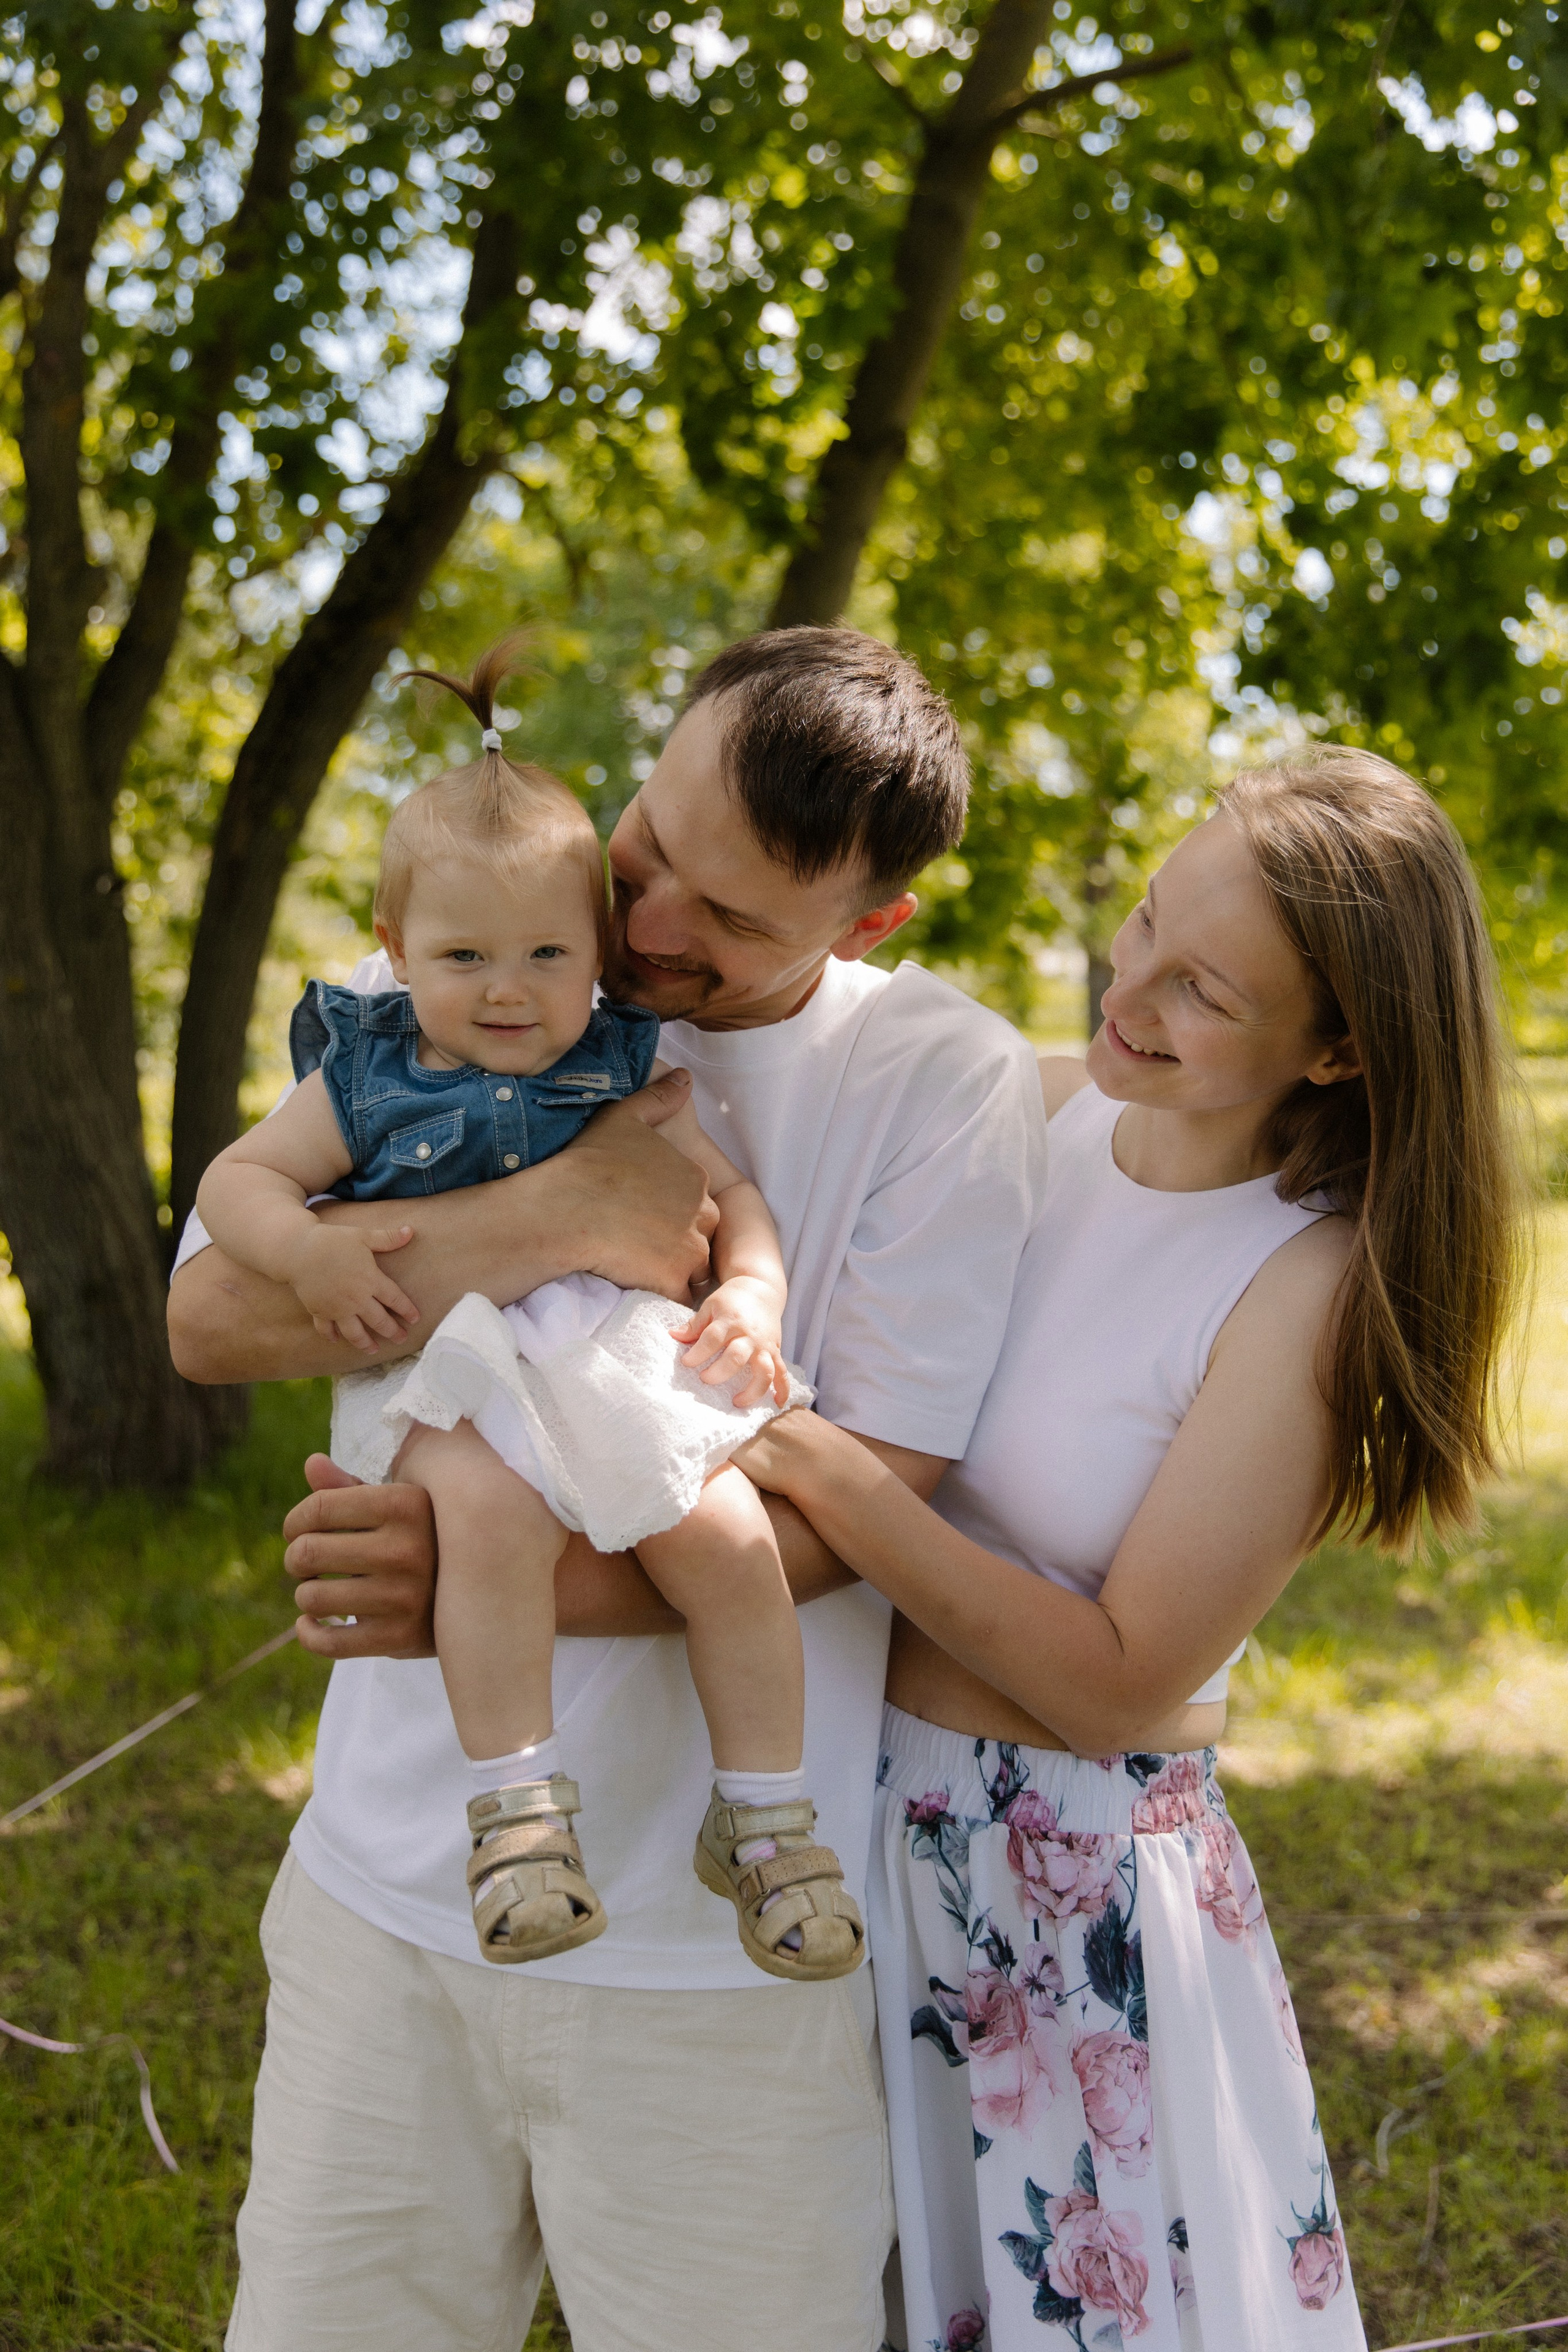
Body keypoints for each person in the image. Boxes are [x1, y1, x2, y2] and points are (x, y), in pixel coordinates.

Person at [167, 625, 1049, 2352]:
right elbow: (209, 1315)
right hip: (387, 1891)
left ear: (869, 925)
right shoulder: (467, 969)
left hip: (713, 1967)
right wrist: (559, 1220)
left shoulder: (938, 1083)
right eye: (654, 849)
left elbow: (868, 1489)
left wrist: (470, 1573)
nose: (644, 932)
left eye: (729, 922)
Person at [733, 748, 1523, 2350]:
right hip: (849, 1820)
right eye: (1145, 921)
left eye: (1204, 990)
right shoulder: (1033, 1109)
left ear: (1340, 1048)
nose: (1130, 987)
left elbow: (1114, 1684)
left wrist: (826, 1475)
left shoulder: (1302, 1289)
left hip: (1058, 1890)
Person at [196, 644, 861, 1981]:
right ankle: (515, 1816)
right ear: (396, 950)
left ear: (598, 951)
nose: (508, 988)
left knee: (729, 1536)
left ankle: (767, 1822)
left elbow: (731, 1201)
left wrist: (749, 1289)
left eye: (550, 952)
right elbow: (239, 1180)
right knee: (488, 1521)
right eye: (463, 955)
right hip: (447, 1371)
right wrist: (312, 1259)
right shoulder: (369, 1073)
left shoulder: (620, 1064)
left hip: (611, 1369)